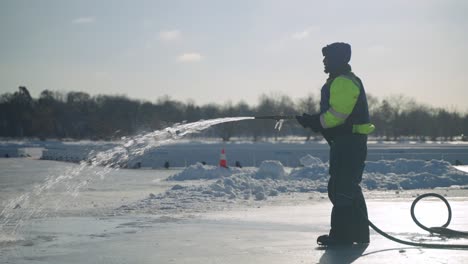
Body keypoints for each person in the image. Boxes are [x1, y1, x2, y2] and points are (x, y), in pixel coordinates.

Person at [296, 42, 375, 246]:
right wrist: (314, 121)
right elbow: (334, 118)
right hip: (346, 141)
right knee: (347, 186)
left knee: (341, 188)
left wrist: (315, 121)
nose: (324, 61)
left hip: (349, 143)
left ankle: (342, 236)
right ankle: (358, 234)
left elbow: (337, 117)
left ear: (339, 60)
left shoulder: (343, 82)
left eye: (327, 58)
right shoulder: (339, 81)